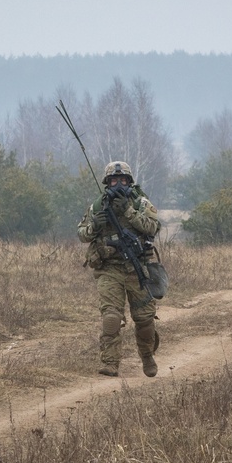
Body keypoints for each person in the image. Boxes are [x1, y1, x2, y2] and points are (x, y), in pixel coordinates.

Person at [77, 161, 162, 378]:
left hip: (137, 268)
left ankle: (147, 356)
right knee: (111, 317)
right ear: (107, 183)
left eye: (122, 180)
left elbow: (153, 227)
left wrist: (129, 211)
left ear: (129, 182)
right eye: (113, 180)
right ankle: (110, 362)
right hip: (109, 269)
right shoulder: (98, 206)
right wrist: (95, 225)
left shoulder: (140, 203)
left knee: (144, 320)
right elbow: (82, 234)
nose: (118, 184)